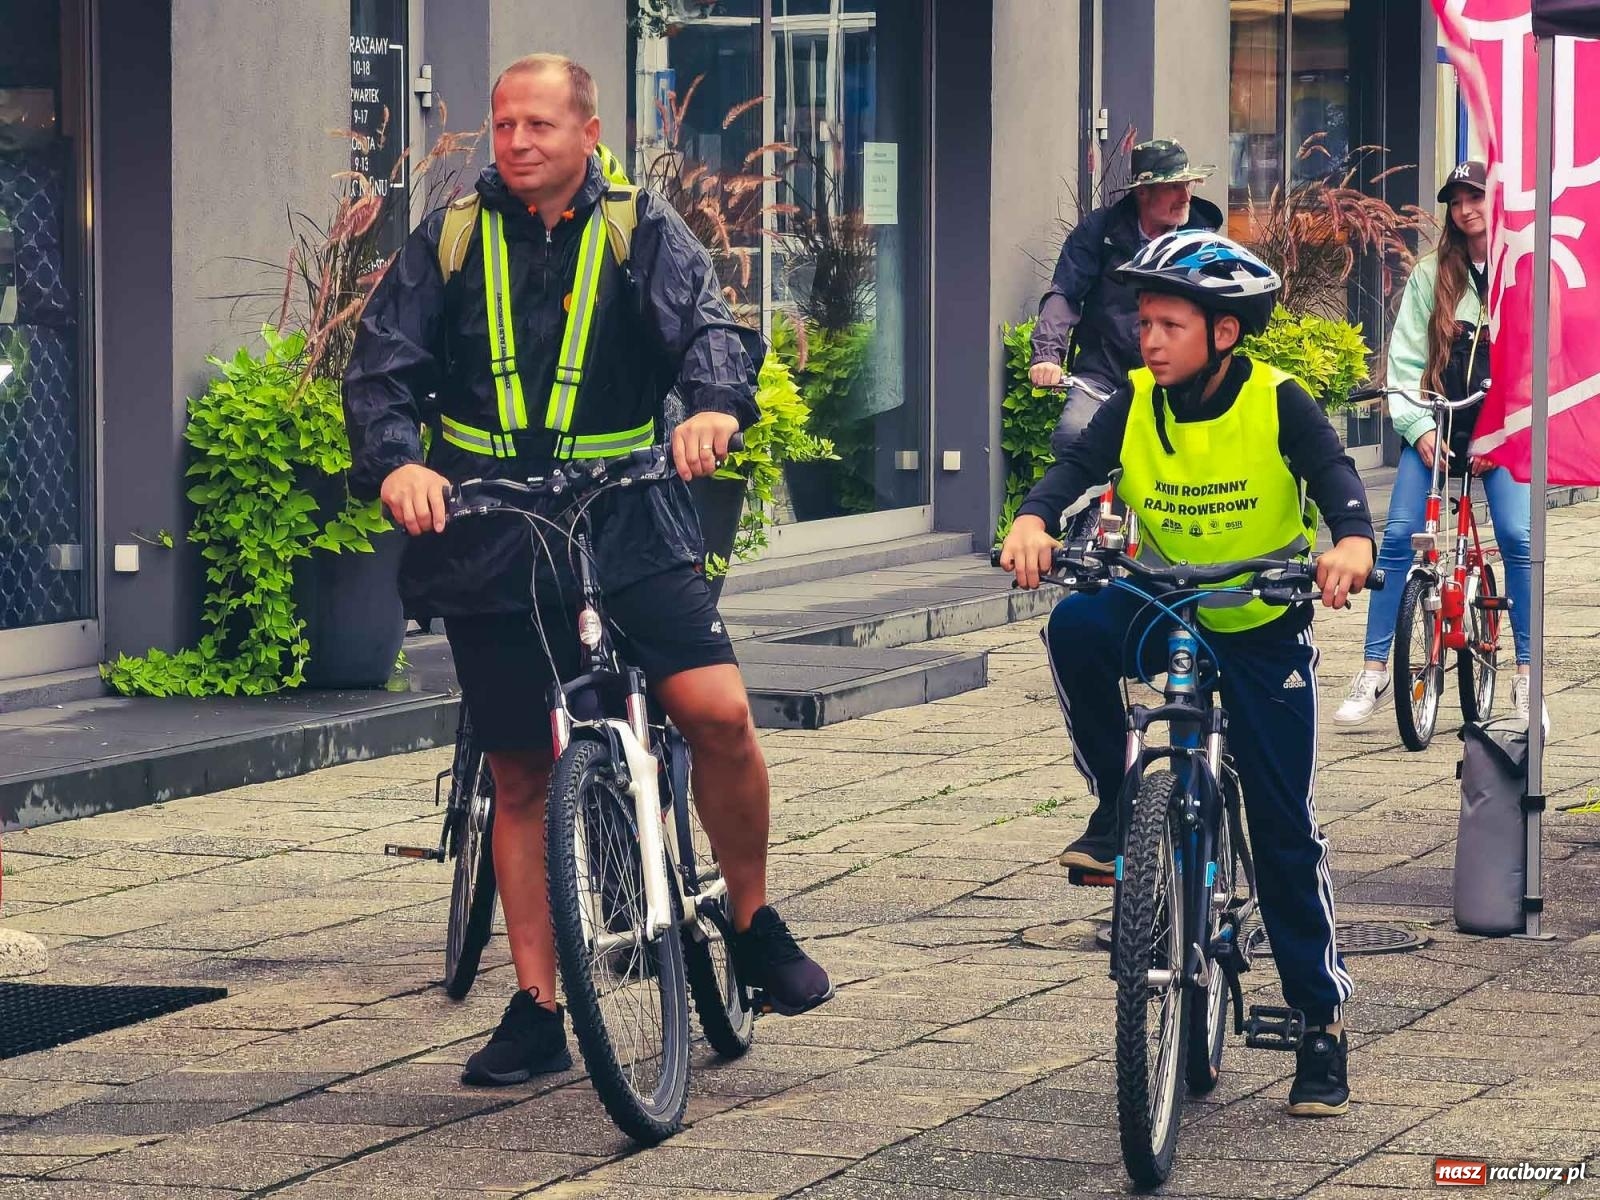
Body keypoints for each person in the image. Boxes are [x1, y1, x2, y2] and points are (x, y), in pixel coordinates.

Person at [343, 54, 831, 1087]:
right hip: (490, 529)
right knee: (521, 771)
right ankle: (536, 1008)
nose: (518, 142)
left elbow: (711, 331)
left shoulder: (638, 228)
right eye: (504, 125)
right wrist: (396, 464)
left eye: (540, 125)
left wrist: (712, 409)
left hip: (628, 517)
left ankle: (751, 919)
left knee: (718, 714)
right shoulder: (449, 238)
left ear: (588, 132)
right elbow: (381, 365)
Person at [999, 231, 1375, 1116]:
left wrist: (1353, 542)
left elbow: (1335, 479)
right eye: (1145, 323)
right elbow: (1073, 469)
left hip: (1259, 621)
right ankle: (1118, 802)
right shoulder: (1135, 400)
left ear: (1224, 333)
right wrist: (1032, 519)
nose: (1151, 340)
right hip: (1164, 603)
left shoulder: (1277, 400)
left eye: (1169, 325)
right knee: (1074, 626)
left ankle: (1319, 1025)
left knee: (1283, 829)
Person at [1333, 160, 1539, 729]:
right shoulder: (1431, 274)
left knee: (1519, 538)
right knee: (1398, 535)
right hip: (1438, 425)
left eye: (1476, 197)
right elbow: (1403, 360)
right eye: (1456, 201)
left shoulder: (1523, 271)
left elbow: (1536, 364)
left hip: (1502, 434)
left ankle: (1528, 676)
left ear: (1497, 202)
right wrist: (1418, 428)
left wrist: (1505, 432)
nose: (1466, 209)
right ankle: (1374, 668)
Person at [1029, 139, 1224, 459]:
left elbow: (1222, 310)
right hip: (1102, 375)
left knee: (1194, 452)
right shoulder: (1100, 230)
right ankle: (1086, 495)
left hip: (1174, 378)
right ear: (1143, 192)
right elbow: (1065, 293)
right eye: (1173, 187)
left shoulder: (1201, 241)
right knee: (1073, 436)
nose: (1186, 197)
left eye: (1188, 185)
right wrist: (1047, 356)